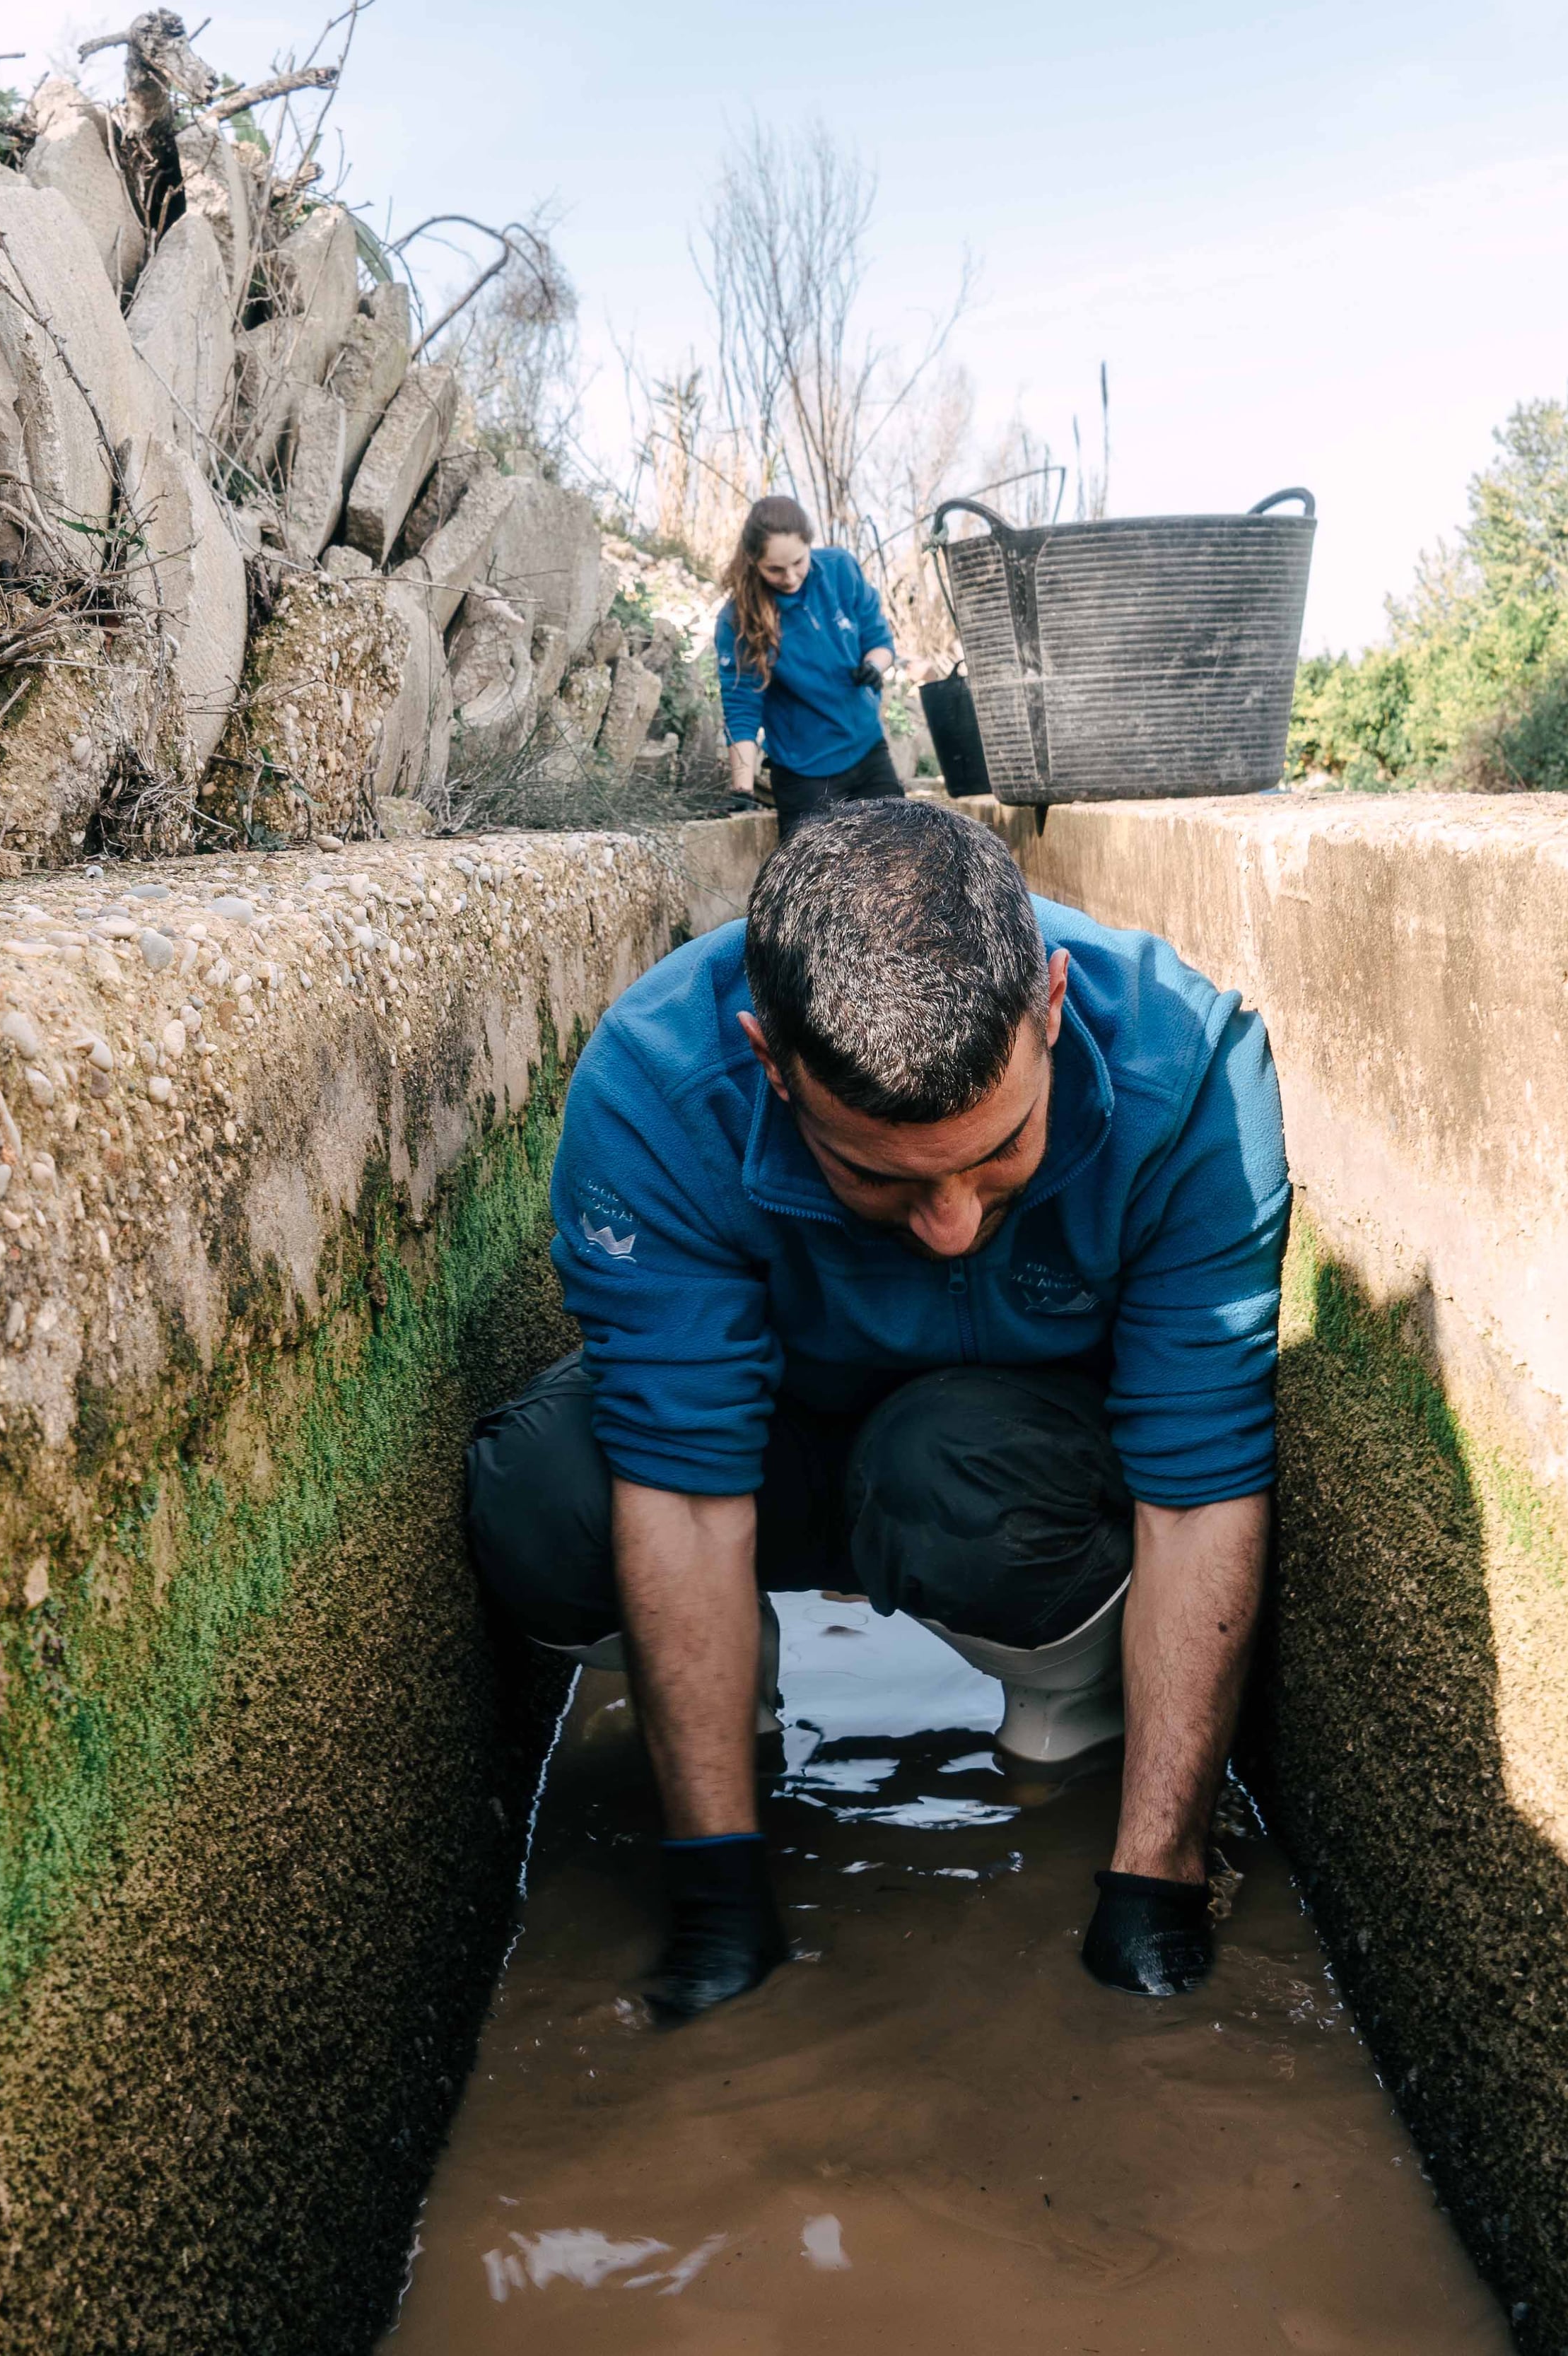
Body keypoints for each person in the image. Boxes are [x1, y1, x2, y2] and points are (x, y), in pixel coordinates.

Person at [465, 799, 1290, 2020]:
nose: (951, 1224)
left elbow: (1198, 1489)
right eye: (878, 1174)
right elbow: (686, 1496)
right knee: (541, 1500)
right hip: (774, 1439)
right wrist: (714, 1883)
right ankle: (723, 1703)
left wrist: (1158, 1874)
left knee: (941, 1469)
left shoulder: (1196, 1080)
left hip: (1005, 1468)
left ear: (1052, 1004)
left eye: (997, 1152)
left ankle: (1064, 1708)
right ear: (768, 1062)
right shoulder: (655, 1087)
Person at [715, 493, 905, 831]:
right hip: (804, 774)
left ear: (809, 545)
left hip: (867, 750)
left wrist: (874, 666)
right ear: (753, 561)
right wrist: (742, 788)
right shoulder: (737, 620)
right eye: (775, 569)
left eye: (798, 563)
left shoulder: (840, 571)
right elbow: (742, 708)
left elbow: (879, 641)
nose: (790, 578)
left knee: (902, 864)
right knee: (818, 880)